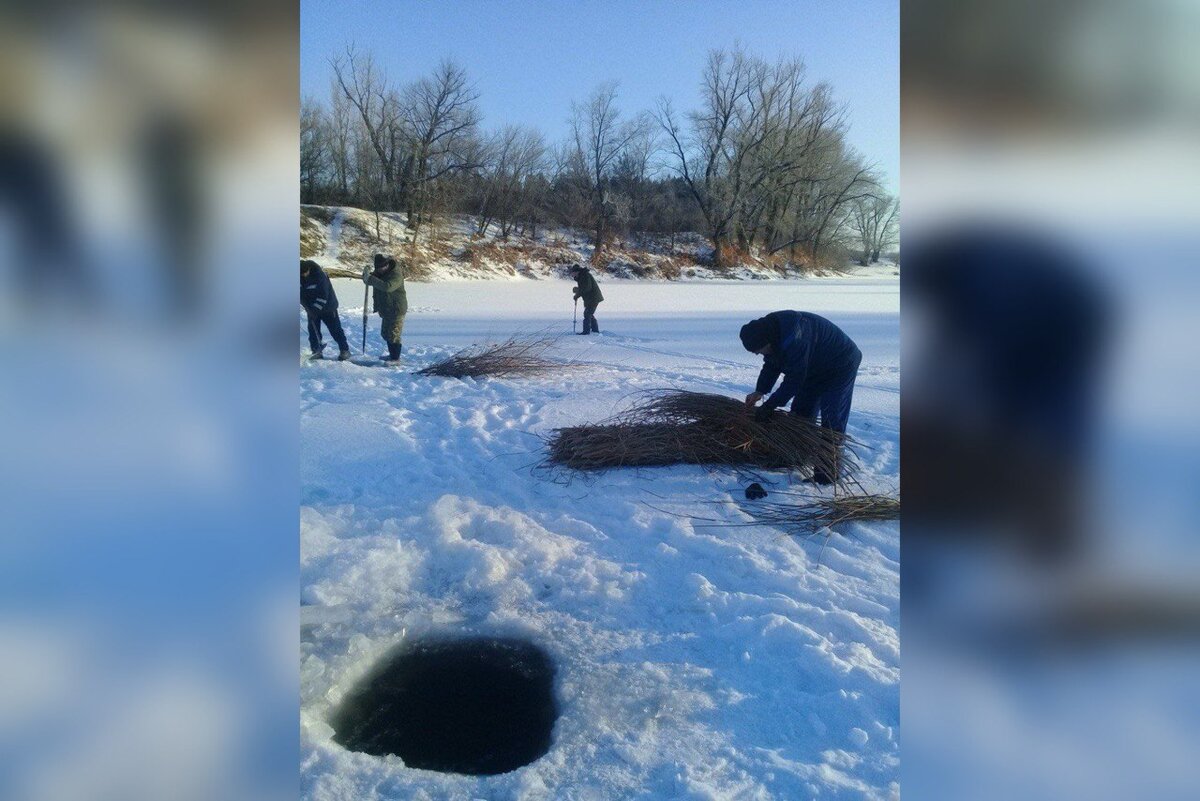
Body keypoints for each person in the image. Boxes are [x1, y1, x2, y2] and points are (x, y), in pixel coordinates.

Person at [740, 310, 862, 484]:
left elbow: (794, 379)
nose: (760, 354)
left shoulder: (795, 337)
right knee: (801, 412)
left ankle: (826, 475)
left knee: (831, 419)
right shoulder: (771, 332)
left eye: (760, 350)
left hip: (840, 365)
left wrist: (770, 405)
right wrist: (760, 391)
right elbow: (772, 364)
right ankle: (797, 456)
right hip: (813, 366)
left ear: (768, 341)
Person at [301, 259, 350, 360]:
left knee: (335, 330)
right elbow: (300, 295)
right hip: (311, 309)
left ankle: (344, 350)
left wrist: (314, 309)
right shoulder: (299, 277)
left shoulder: (320, 276)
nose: (303, 275)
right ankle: (316, 351)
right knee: (313, 331)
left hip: (328, 307)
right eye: (301, 274)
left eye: (305, 273)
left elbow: (323, 296)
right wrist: (307, 306)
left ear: (309, 269)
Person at [363, 252, 407, 361]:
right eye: (378, 268)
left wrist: (371, 279)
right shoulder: (380, 272)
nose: (381, 269)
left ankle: (395, 358)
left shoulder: (396, 274)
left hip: (396, 309)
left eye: (383, 267)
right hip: (386, 309)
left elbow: (388, 287)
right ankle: (392, 355)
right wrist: (366, 275)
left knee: (394, 336)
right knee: (385, 334)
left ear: (387, 264)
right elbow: (371, 280)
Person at [570, 263, 604, 335]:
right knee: (589, 313)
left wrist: (577, 293)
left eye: (572, 273)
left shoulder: (585, 276)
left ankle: (586, 332)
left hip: (593, 298)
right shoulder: (581, 276)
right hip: (589, 298)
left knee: (587, 314)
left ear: (576, 272)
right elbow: (584, 288)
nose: (571, 275)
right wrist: (578, 290)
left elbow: (587, 288)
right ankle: (595, 330)